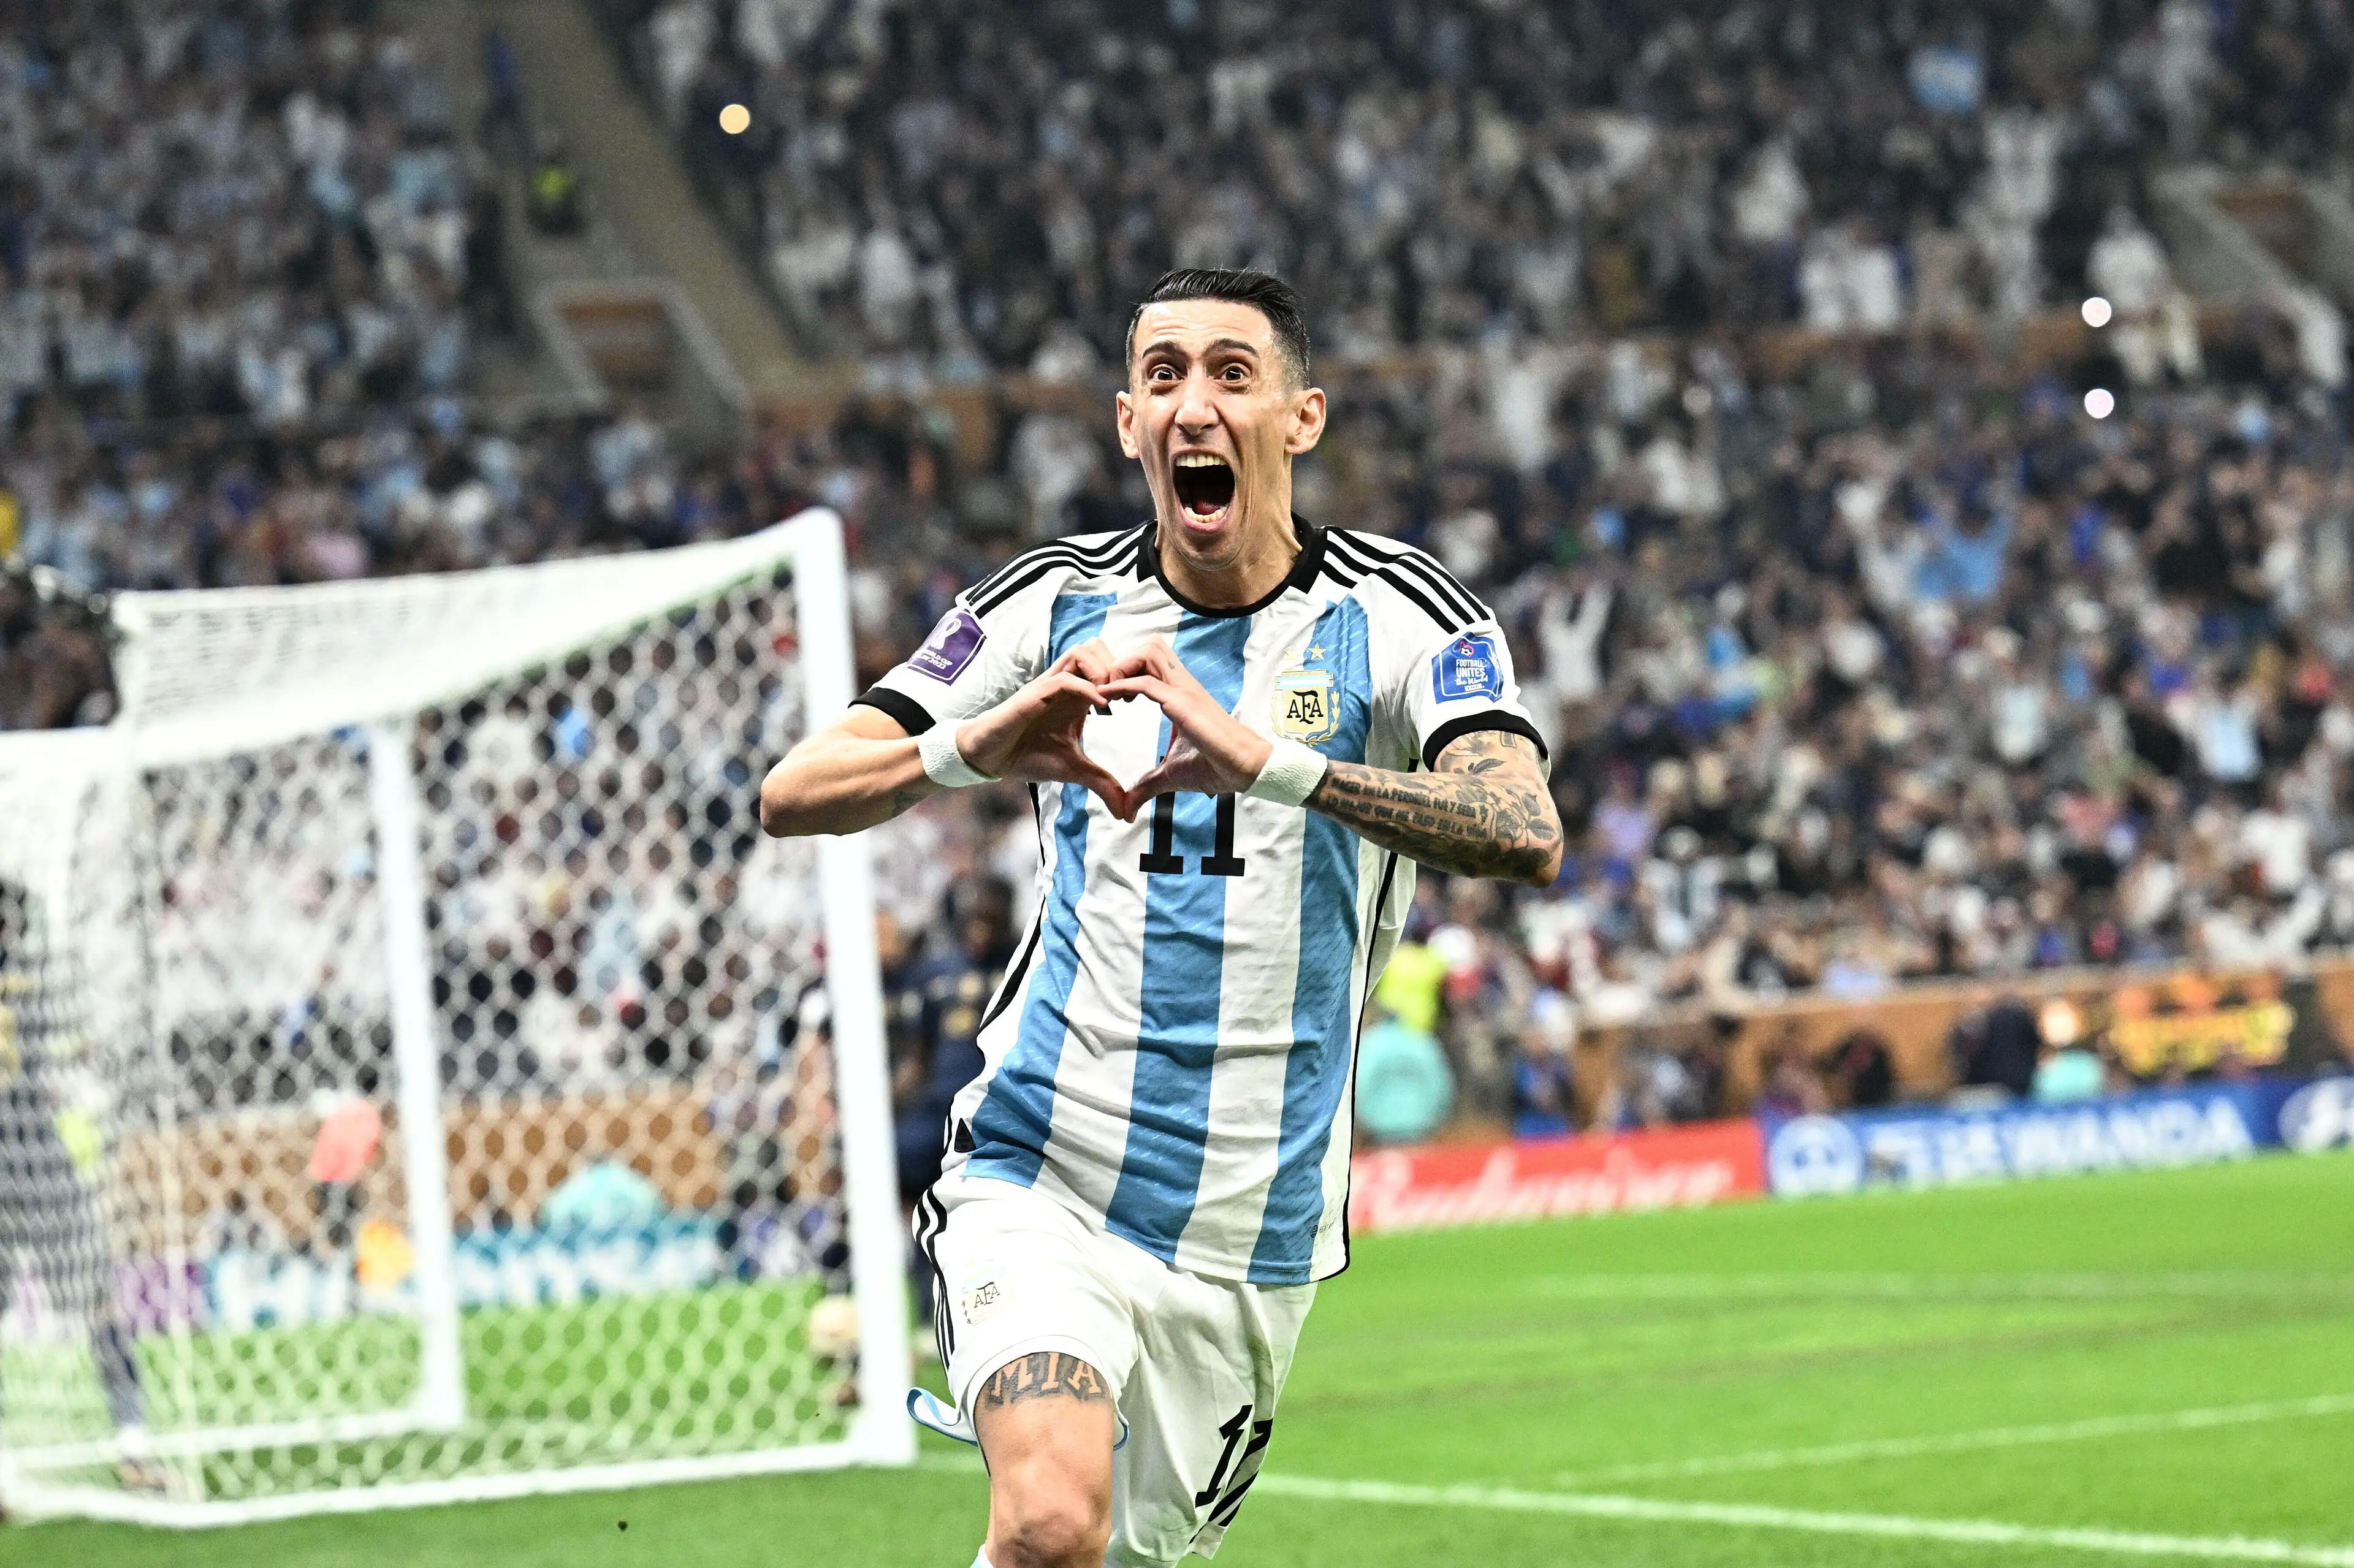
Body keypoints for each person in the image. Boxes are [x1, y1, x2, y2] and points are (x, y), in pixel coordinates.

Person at [761, 268, 1562, 1568]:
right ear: (1129, 420)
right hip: (1044, 1165)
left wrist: (1270, 763)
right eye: (1166, 375)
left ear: (1300, 419)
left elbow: (1524, 828)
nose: (1197, 403)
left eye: (1233, 374)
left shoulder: (1403, 614)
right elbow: (797, 790)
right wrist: (977, 741)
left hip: (1256, 1221)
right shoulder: (1051, 602)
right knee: (1046, 1518)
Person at [0, 879, 166, 1502]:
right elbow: (76, 1049)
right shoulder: (37, 977)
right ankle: (133, 1446)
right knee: (98, 1304)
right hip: (35, 1152)